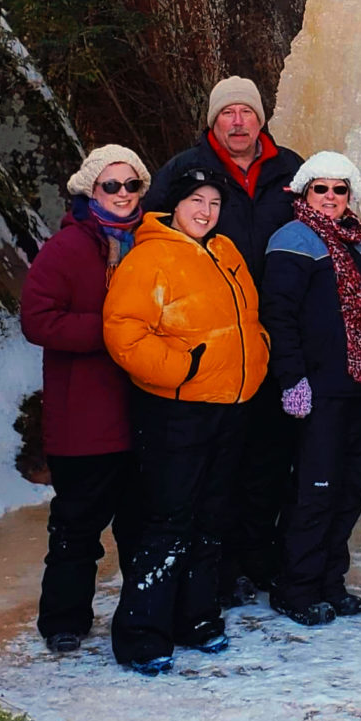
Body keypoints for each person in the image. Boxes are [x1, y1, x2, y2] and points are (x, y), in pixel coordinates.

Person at [101, 165, 270, 673]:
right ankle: (142, 634)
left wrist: (257, 356)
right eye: (197, 200)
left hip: (230, 406)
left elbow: (249, 320)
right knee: (169, 521)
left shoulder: (226, 251)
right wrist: (183, 370)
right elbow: (123, 332)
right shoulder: (149, 256)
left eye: (214, 203)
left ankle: (196, 617)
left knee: (212, 517)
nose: (205, 211)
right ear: (175, 204)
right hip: (176, 410)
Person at [152, 76, 305, 604]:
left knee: (271, 455)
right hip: (213, 344)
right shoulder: (185, 170)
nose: (237, 121)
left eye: (247, 111)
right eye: (227, 113)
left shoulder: (291, 170)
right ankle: (220, 568)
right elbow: (152, 235)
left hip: (276, 337)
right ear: (212, 121)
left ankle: (261, 559)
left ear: (261, 119)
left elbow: (329, 227)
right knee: (223, 462)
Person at [261, 145, 361, 625]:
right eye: (320, 188)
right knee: (315, 491)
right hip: (319, 392)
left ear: (350, 195)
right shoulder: (293, 238)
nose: (329, 196)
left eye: (339, 189)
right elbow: (278, 316)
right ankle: (295, 586)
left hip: (359, 385)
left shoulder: (356, 238)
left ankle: (329, 580)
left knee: (349, 489)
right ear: (306, 191)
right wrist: (292, 380)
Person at [17, 145, 149, 654]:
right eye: (110, 186)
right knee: (77, 528)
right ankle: (64, 621)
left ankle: (142, 617)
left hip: (141, 411)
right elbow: (37, 319)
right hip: (85, 419)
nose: (121, 194)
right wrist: (110, 332)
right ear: (89, 191)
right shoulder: (68, 248)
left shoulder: (151, 242)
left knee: (142, 525)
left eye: (130, 184)